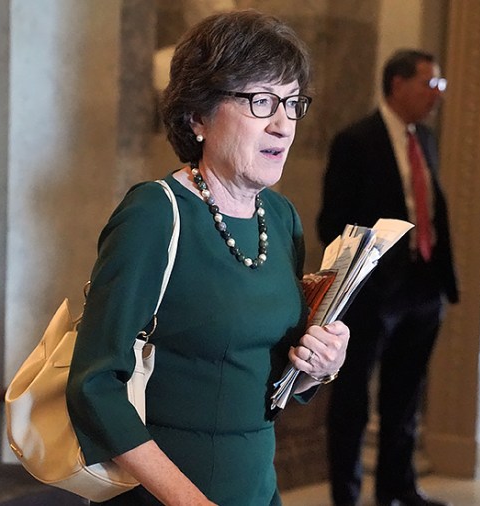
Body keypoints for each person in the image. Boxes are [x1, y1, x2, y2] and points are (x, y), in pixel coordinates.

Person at [66, 10, 350, 506]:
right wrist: (188, 500)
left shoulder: (280, 217)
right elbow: (94, 386)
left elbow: (264, 374)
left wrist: (316, 366)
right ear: (198, 115)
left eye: (292, 102)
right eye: (261, 102)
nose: (284, 124)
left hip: (256, 487)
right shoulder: (154, 214)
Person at [317, 49, 459, 506]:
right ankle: (347, 495)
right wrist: (369, 276)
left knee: (405, 398)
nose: (437, 95)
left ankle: (398, 490)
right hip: (374, 295)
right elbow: (333, 221)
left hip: (423, 288)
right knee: (353, 405)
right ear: (398, 84)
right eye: (429, 84)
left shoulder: (427, 140)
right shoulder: (356, 140)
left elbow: (430, 207)